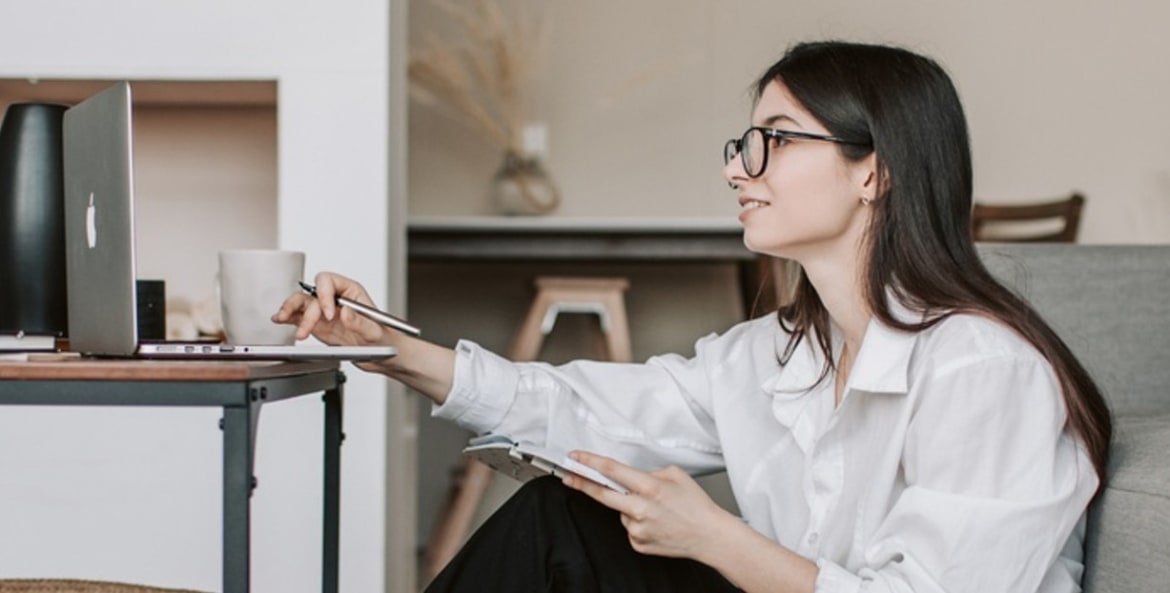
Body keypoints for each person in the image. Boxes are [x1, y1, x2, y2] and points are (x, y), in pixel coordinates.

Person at [274, 40, 1112, 593]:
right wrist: (388, 347)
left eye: (775, 140)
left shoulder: (982, 370)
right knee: (558, 518)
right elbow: (579, 409)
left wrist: (715, 537)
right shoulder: (777, 355)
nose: (739, 170)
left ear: (874, 173)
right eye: (742, 143)